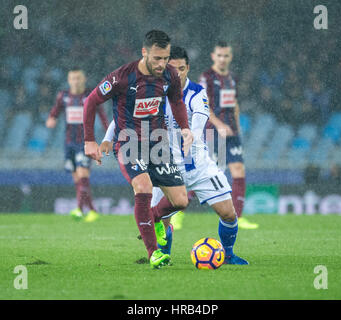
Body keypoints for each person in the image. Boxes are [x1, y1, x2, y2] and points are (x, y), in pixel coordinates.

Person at [101, 46, 248, 265]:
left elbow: (200, 115)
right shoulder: (151, 89)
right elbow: (124, 115)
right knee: (164, 221)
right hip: (164, 164)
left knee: (229, 213)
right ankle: (163, 256)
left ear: (188, 68)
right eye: (173, 68)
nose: (177, 73)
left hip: (197, 164)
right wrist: (106, 137)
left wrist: (192, 135)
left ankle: (228, 255)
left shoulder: (197, 92)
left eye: (181, 68)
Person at [83, 30, 193, 269]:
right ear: (144, 52)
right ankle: (154, 252)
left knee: (181, 201)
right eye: (157, 58)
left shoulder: (170, 75)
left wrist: (185, 128)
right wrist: (90, 140)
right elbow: (91, 101)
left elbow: (176, 101)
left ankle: (151, 219)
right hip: (129, 142)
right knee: (143, 187)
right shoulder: (122, 77)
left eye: (165, 58)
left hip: (159, 143)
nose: (162, 64)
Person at [198, 41, 258, 230]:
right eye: (219, 55)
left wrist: (237, 127)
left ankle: (237, 217)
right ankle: (176, 213)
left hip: (231, 132)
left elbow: (234, 104)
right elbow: (203, 105)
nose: (222, 59)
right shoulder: (206, 77)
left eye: (226, 56)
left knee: (238, 170)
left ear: (230, 57)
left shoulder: (232, 78)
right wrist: (219, 124)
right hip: (212, 131)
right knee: (201, 173)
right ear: (213, 56)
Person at [46, 67, 109, 222]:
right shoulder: (63, 96)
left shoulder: (90, 96)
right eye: (73, 78)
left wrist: (109, 134)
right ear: (69, 80)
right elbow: (55, 111)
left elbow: (102, 115)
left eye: (78, 78)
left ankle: (80, 209)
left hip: (85, 142)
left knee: (83, 175)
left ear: (84, 79)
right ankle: (92, 210)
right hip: (69, 143)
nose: (75, 81)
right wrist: (51, 118)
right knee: (77, 180)